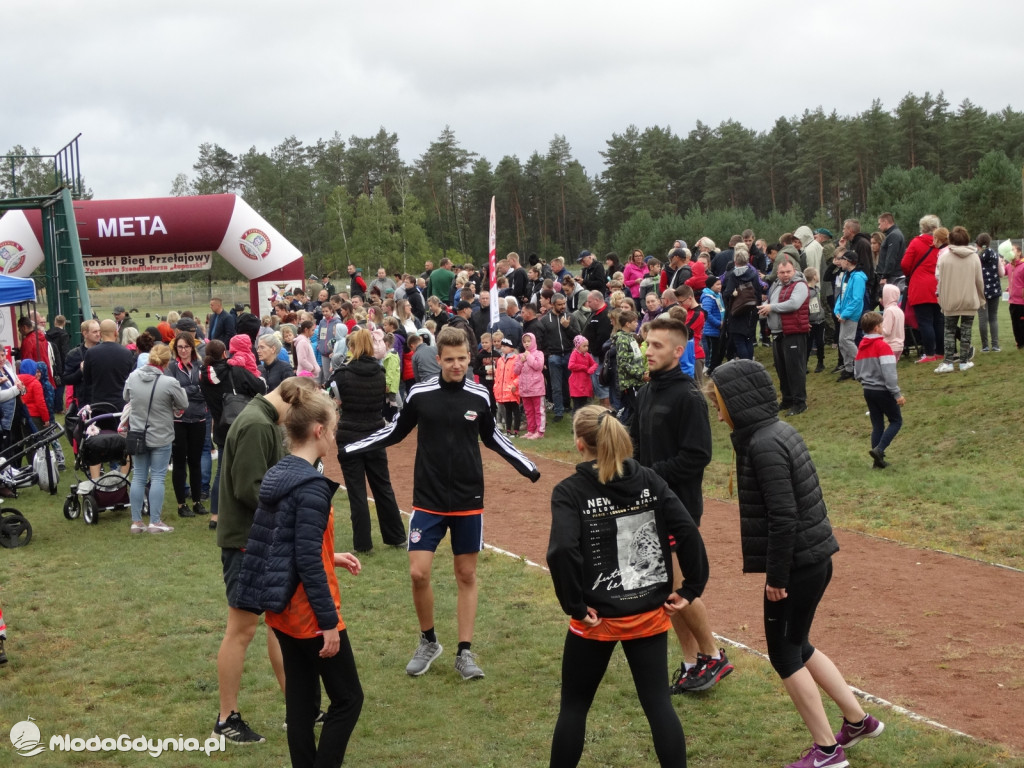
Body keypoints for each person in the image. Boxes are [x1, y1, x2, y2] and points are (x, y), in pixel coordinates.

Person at [709, 359, 885, 768]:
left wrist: (776, 576)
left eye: (720, 403)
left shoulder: (763, 443)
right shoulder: (776, 431)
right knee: (799, 644)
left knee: (785, 655)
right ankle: (859, 722)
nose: (718, 413)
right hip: (813, 558)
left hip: (799, 566)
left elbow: (783, 515)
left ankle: (827, 752)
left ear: (738, 401)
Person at [344, 326, 540, 680]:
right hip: (428, 499)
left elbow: (493, 437)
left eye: (462, 359)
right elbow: (395, 431)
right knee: (418, 572)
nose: (456, 365)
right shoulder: (420, 393)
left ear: (469, 357)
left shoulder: (480, 396)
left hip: (468, 499)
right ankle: (429, 641)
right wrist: (354, 446)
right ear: (438, 360)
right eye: (449, 360)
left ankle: (465, 652)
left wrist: (526, 466)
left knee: (466, 574)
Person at [547, 405, 708, 768]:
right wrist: (692, 586)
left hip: (596, 619)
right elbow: (686, 530)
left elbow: (561, 551)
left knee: (574, 707)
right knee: (658, 704)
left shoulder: (570, 491)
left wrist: (574, 605)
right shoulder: (650, 480)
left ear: (579, 444)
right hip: (646, 613)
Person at [233, 386, 364, 767]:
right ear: (319, 431)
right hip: (309, 614)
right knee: (348, 699)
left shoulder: (279, 474)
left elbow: (285, 540)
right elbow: (305, 558)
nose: (335, 437)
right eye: (334, 429)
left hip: (283, 610)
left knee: (302, 702)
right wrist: (328, 624)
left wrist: (331, 555)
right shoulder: (309, 487)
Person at [214, 376, 320, 744]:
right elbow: (250, 488)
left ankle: (298, 707)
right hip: (247, 542)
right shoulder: (258, 424)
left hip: (259, 539)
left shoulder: (261, 420)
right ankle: (227, 718)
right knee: (241, 631)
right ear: (292, 401)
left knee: (278, 624)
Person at [630, 315, 732, 696]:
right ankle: (691, 663)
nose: (648, 350)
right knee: (661, 591)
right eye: (646, 343)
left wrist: (649, 476)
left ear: (678, 350)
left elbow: (697, 456)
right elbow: (636, 446)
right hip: (647, 503)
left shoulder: (689, 397)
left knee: (677, 586)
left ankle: (713, 653)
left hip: (679, 508)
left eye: (657, 345)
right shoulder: (645, 392)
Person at [331, 329, 406, 553]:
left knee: (357, 490)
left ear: (352, 348)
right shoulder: (380, 371)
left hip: (351, 435)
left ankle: (363, 543)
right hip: (374, 433)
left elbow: (336, 401)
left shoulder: (342, 374)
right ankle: (396, 536)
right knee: (382, 486)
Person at [123, 343, 188, 534]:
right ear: (167, 362)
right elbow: (183, 402)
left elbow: (126, 397)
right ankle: (155, 521)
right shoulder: (169, 382)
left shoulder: (133, 377)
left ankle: (136, 521)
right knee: (158, 476)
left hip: (138, 433)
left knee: (139, 476)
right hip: (161, 434)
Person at [854, 312, 906, 469]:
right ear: (877, 328)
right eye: (881, 325)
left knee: (877, 425)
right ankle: (879, 450)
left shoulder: (861, 347)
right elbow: (889, 374)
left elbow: (856, 373)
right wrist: (897, 394)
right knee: (896, 421)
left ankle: (877, 463)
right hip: (883, 390)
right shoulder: (883, 346)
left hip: (867, 390)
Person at [759, 255, 810, 415]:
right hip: (778, 333)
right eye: (782, 272)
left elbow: (794, 303)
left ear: (794, 270)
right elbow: (771, 302)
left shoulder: (800, 285)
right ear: (778, 273)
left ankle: (799, 403)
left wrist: (771, 307)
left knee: (795, 369)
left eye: (788, 271)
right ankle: (787, 400)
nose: (785, 275)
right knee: (782, 369)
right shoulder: (776, 285)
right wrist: (765, 307)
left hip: (794, 332)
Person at [166, 333, 208, 518]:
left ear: (192, 347)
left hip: (198, 417)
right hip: (178, 420)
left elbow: (205, 389)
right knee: (180, 461)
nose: (183, 350)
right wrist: (193, 390)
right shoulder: (172, 367)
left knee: (195, 461)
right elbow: (172, 392)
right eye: (180, 347)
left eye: (186, 347)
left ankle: (197, 501)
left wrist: (187, 392)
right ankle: (181, 504)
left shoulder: (200, 366)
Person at [935, 225, 984, 373]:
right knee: (966, 331)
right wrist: (981, 299)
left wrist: (941, 298)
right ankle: (964, 362)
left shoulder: (944, 258)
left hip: (950, 300)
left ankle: (948, 363)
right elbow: (979, 281)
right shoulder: (974, 257)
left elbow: (939, 279)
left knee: (949, 331)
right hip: (969, 299)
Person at [901, 215, 945, 363]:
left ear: (922, 228)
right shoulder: (942, 243)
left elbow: (905, 265)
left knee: (925, 322)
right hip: (939, 285)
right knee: (939, 321)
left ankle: (930, 354)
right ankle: (940, 352)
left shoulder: (916, 243)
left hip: (920, 287)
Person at [834, 250, 867, 382]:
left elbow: (857, 299)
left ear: (847, 261)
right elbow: (842, 296)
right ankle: (849, 369)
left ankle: (864, 366)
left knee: (847, 340)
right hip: (843, 313)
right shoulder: (847, 275)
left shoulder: (858, 277)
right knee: (842, 342)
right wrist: (837, 310)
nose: (839, 262)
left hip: (851, 314)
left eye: (841, 259)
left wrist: (845, 313)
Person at [515, 331, 546, 439]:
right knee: (528, 411)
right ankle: (531, 430)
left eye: (529, 341)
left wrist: (528, 357)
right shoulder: (520, 356)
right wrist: (521, 361)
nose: (527, 344)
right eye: (524, 342)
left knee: (538, 411)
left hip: (537, 387)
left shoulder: (539, 354)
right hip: (525, 388)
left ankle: (540, 431)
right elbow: (516, 371)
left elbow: (538, 366)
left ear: (533, 341)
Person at [975, 233, 1002, 352]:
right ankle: (995, 345)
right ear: (989, 242)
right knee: (993, 317)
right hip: (994, 289)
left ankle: (985, 346)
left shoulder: (976, 257)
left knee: (982, 318)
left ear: (978, 244)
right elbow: (1001, 273)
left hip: (981, 290)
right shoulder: (996, 255)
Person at [493, 337, 522, 437]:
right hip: (503, 390)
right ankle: (508, 430)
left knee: (515, 410)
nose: (502, 348)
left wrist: (515, 384)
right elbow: (498, 375)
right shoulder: (500, 360)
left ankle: (516, 431)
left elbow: (519, 374)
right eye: (502, 346)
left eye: (505, 346)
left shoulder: (516, 358)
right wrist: (496, 386)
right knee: (507, 411)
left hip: (512, 389)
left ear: (512, 348)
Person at [567, 335, 597, 413]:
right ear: (578, 346)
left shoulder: (587, 355)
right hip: (576, 384)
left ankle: (582, 421)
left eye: (587, 346)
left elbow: (594, 364)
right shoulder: (574, 354)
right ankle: (576, 421)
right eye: (584, 346)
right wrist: (584, 367)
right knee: (577, 405)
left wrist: (591, 369)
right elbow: (571, 365)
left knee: (584, 405)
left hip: (585, 384)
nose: (586, 348)